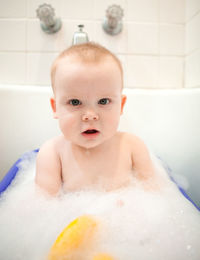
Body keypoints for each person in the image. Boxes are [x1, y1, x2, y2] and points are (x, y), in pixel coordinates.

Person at [35, 42, 162, 196]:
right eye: (75, 102)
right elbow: (44, 207)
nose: (90, 115)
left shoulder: (133, 147)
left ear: (121, 105)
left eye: (103, 101)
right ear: (55, 108)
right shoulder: (52, 153)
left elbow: (154, 197)